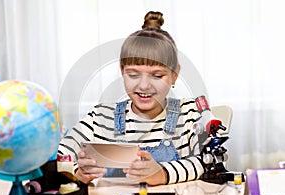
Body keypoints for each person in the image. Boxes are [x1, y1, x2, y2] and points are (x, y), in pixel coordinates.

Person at [58, 11, 205, 186]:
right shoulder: (101, 116)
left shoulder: (189, 113)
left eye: (157, 76)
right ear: (122, 71)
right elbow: (60, 157)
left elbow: (209, 161)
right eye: (133, 75)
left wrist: (163, 173)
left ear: (174, 75)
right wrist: (78, 172)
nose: (144, 86)